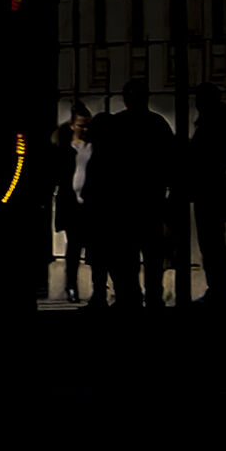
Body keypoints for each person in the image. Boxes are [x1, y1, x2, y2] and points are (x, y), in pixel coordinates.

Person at [85, 80, 179, 309]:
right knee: (147, 254)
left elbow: (109, 164)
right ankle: (148, 296)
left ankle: (134, 296)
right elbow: (171, 163)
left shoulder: (121, 124)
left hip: (128, 202)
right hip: (146, 200)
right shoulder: (156, 124)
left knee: (131, 254)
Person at [185, 83, 226, 305]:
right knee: (214, 242)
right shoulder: (220, 122)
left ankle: (217, 290)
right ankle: (219, 289)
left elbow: (201, 157)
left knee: (211, 242)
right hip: (211, 187)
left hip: (208, 189)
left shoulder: (211, 124)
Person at [47, 102, 97, 305]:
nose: (84, 130)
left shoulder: (93, 147)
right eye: (81, 125)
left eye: (87, 126)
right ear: (72, 125)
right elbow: (55, 175)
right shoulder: (63, 148)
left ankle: (98, 287)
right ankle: (71, 286)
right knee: (74, 247)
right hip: (71, 204)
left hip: (91, 203)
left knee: (94, 246)